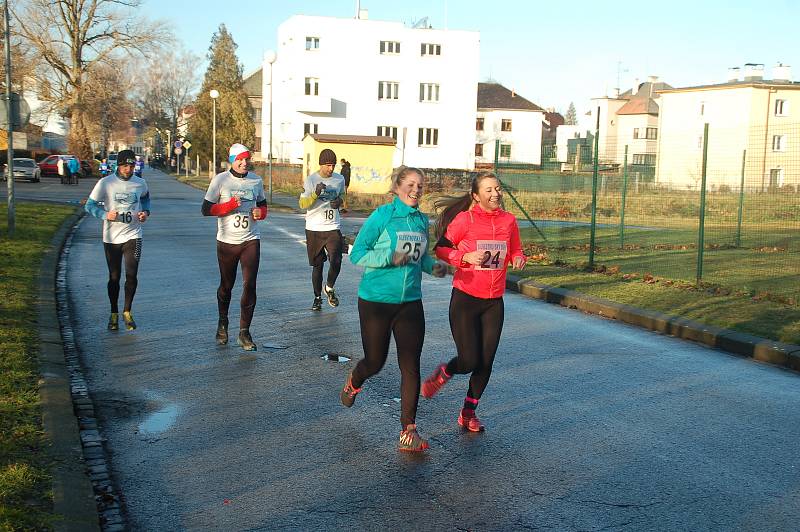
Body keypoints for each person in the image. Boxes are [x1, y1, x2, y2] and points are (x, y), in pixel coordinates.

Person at [340, 166, 446, 453]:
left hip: (410, 302)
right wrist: (390, 256)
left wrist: (432, 266)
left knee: (410, 366)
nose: (416, 190)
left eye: (420, 186)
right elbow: (357, 253)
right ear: (397, 187)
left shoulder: (422, 221)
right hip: (376, 301)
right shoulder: (383, 216)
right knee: (375, 362)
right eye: (410, 184)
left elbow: (420, 257)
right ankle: (355, 379)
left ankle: (408, 431)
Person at [420, 172, 526, 433]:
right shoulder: (464, 220)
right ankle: (445, 372)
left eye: (498, 188)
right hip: (465, 299)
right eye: (489, 190)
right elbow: (442, 248)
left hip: (493, 302)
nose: (496, 194)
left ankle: (468, 412)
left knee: (486, 361)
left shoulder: (509, 221)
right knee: (469, 360)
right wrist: (465, 257)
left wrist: (519, 258)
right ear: (477, 196)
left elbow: (516, 249)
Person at [201, 143, 268, 351]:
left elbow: (263, 205)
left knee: (250, 285)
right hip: (227, 242)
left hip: (251, 239)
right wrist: (228, 206)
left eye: (247, 159)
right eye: (240, 159)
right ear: (232, 160)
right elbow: (206, 209)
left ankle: (244, 332)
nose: (244, 162)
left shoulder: (256, 180)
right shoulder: (221, 180)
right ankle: (223, 323)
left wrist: (260, 213)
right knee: (226, 286)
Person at [84, 149, 151, 331]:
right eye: (124, 166)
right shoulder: (105, 183)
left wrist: (145, 213)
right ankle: (113, 313)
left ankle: (127, 312)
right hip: (112, 237)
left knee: (132, 275)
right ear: (118, 165)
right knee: (114, 277)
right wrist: (105, 214)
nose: (128, 169)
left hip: (133, 235)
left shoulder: (140, 183)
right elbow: (89, 206)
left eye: (131, 166)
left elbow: (145, 199)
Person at [298, 148, 346, 311]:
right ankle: (317, 298)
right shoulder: (311, 180)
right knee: (318, 266)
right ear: (321, 164)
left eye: (333, 165)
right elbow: (303, 205)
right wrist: (315, 194)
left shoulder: (340, 179)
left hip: (333, 227)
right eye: (327, 165)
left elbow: (343, 197)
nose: (330, 168)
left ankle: (330, 288)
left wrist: (338, 202)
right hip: (314, 228)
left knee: (336, 260)